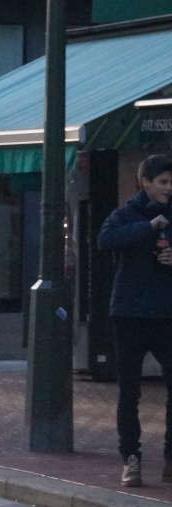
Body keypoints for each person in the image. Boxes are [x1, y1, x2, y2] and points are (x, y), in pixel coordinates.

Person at [97, 153, 172, 487]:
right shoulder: (125, 213)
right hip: (129, 314)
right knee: (129, 392)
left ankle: (171, 460)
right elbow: (105, 240)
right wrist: (148, 227)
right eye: (164, 182)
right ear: (145, 183)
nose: (170, 188)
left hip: (167, 314)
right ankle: (131, 459)